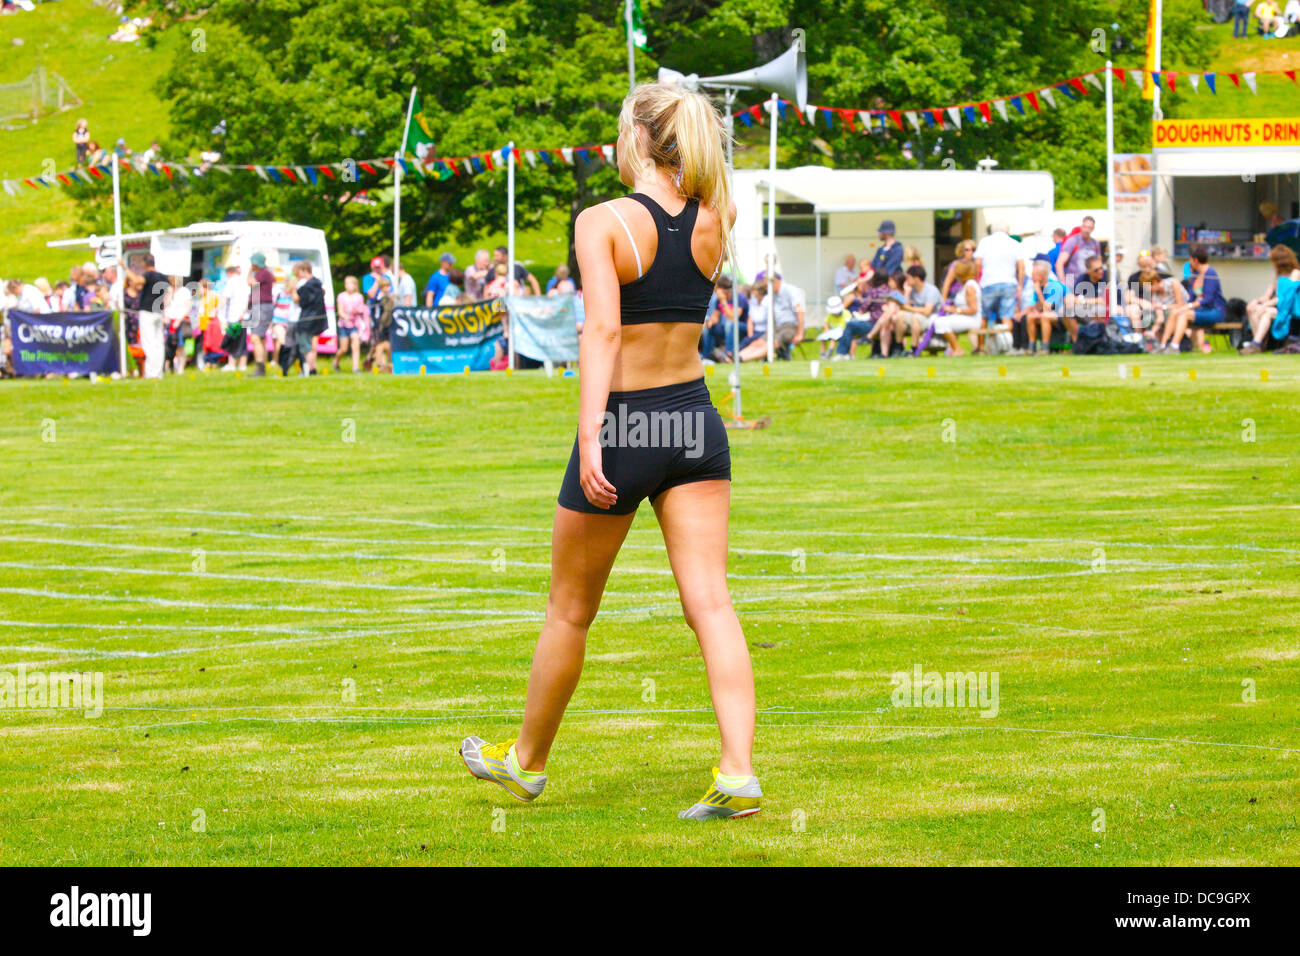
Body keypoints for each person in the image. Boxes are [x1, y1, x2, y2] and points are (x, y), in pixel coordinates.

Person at [458, 82, 760, 821]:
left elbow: (601, 333)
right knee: (713, 604)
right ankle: (739, 773)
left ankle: (525, 764)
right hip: (693, 422)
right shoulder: (715, 217)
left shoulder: (604, 220)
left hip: (627, 424)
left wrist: (591, 433)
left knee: (568, 610)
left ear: (636, 138)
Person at [973, 221, 1024, 355]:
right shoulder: (1014, 243)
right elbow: (1021, 266)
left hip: (988, 283)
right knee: (1007, 316)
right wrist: (1020, 284)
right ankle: (1008, 346)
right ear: (1007, 230)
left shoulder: (985, 242)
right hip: (1009, 283)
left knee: (983, 316)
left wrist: (976, 280)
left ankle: (981, 348)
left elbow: (977, 263)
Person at [1241, 245, 1300, 353]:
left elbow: (1286, 298)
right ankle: (1259, 343)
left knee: (1266, 313)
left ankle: (1256, 344)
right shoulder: (1277, 275)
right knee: (1252, 309)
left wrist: (1265, 305)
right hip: (1276, 306)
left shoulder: (1295, 274)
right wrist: (1257, 302)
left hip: (1288, 309)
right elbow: (1267, 295)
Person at [738, 274, 803, 361]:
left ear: (774, 282)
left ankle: (742, 358)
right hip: (777, 327)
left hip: (790, 326)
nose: (766, 289)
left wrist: (800, 334)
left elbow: (800, 312)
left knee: (772, 344)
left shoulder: (790, 290)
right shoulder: (773, 294)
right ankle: (735, 357)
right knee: (757, 342)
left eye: (767, 286)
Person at [933, 260, 982, 355]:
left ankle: (957, 349)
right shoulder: (964, 285)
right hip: (964, 317)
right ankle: (953, 349)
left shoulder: (969, 287)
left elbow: (973, 309)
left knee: (940, 323)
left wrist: (954, 310)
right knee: (940, 320)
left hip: (973, 319)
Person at [1184, 244, 1226, 353]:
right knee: (1177, 312)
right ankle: (1177, 345)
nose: (1189, 263)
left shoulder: (1210, 273)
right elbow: (1190, 298)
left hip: (1214, 310)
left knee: (1184, 314)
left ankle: (1176, 345)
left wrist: (1189, 306)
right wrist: (1185, 306)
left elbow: (1208, 298)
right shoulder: (1195, 275)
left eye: (1190, 260)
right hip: (1199, 310)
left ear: (1196, 260)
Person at [291, 261, 327, 376]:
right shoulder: (318, 283)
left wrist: (294, 292)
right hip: (317, 319)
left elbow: (301, 302)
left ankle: (311, 370)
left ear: (303, 271)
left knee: (306, 347)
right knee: (311, 345)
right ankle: (312, 369)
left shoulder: (306, 286)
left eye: (297, 274)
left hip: (306, 320)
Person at [136, 253, 169, 379]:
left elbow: (137, 281)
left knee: (149, 343)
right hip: (158, 312)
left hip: (147, 312)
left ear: (145, 264)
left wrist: (124, 267)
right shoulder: (163, 277)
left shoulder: (148, 275)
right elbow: (168, 295)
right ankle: (158, 372)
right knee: (158, 343)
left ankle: (151, 373)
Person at [245, 251, 275, 377]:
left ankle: (260, 369)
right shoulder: (265, 273)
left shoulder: (263, 273)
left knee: (256, 337)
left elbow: (249, 282)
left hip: (261, 307)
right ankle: (261, 368)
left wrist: (249, 270)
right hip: (261, 307)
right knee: (261, 338)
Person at [216, 263, 249, 371]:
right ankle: (242, 365)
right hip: (244, 315)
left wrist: (215, 309)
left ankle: (231, 364)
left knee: (233, 340)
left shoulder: (231, 282)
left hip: (234, 315)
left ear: (229, 273)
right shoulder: (244, 282)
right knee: (243, 341)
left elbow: (225, 298)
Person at [335, 275, 370, 371]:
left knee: (356, 345)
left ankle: (356, 368)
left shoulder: (359, 297)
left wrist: (357, 311)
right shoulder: (341, 296)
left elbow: (361, 309)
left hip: (355, 324)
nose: (347, 286)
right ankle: (336, 361)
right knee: (344, 349)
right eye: (346, 284)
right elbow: (340, 310)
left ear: (355, 285)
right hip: (343, 324)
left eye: (349, 283)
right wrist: (346, 317)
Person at [1056, 216, 1100, 291]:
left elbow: (1098, 265)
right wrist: (1062, 283)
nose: (1086, 230)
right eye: (1085, 227)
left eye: (1089, 227)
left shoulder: (1095, 244)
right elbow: (1059, 263)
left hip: (1089, 284)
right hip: (1072, 283)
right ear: (1081, 226)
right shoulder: (1073, 241)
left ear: (1093, 229)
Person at [162, 275, 193, 374]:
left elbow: (187, 307)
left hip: (180, 322)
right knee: (167, 345)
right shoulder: (168, 290)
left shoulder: (185, 292)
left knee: (180, 346)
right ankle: (167, 366)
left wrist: (179, 320)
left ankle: (181, 368)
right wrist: (165, 317)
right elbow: (165, 306)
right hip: (169, 321)